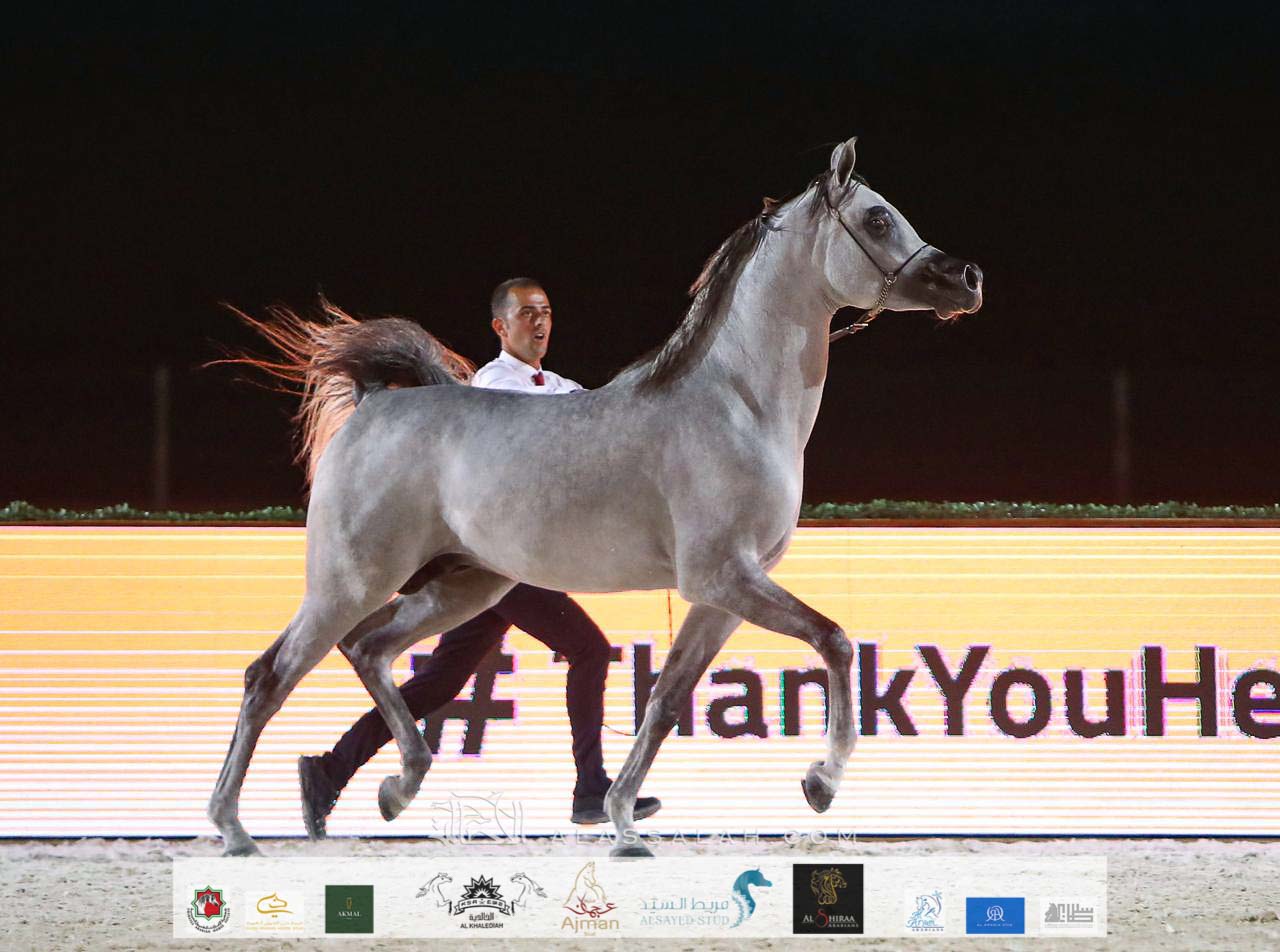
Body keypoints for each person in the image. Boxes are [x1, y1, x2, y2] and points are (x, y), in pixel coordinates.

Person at [298, 277, 661, 835]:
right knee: (588, 649)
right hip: (504, 555)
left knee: (441, 683)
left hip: (505, 566)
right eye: (526, 313)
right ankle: (591, 788)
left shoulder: (563, 387)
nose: (539, 322)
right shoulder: (492, 386)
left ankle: (329, 771)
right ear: (500, 326)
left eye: (545, 311)